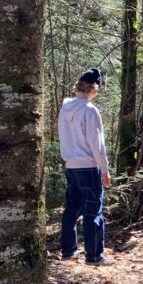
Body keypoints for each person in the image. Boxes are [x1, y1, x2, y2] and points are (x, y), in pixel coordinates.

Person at [57, 68, 113, 265]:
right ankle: (94, 256)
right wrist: (104, 169)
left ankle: (68, 252)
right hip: (88, 167)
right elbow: (96, 144)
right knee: (93, 210)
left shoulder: (64, 109)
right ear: (94, 88)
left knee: (71, 209)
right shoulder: (90, 110)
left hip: (70, 166)